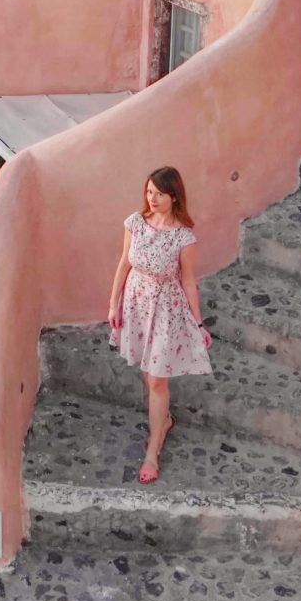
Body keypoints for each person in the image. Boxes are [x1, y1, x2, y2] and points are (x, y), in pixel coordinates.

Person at [107, 165, 212, 484]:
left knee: (157, 380)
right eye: (149, 191)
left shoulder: (184, 237)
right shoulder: (135, 223)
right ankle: (162, 422)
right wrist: (113, 302)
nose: (152, 198)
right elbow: (124, 263)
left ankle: (153, 448)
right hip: (136, 302)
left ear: (174, 196)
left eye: (159, 193)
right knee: (146, 370)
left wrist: (199, 323)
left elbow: (189, 281)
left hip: (166, 309)